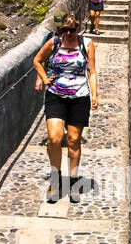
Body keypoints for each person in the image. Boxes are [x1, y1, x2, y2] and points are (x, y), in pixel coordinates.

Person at [33, 13, 98, 204]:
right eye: (65, 30)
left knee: (74, 140)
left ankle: (73, 182)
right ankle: (55, 179)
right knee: (53, 139)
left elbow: (92, 71)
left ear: (78, 28)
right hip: (56, 96)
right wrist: (44, 79)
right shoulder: (54, 43)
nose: (69, 33)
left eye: (73, 29)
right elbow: (37, 60)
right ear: (61, 30)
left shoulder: (87, 44)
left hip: (80, 97)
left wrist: (94, 94)